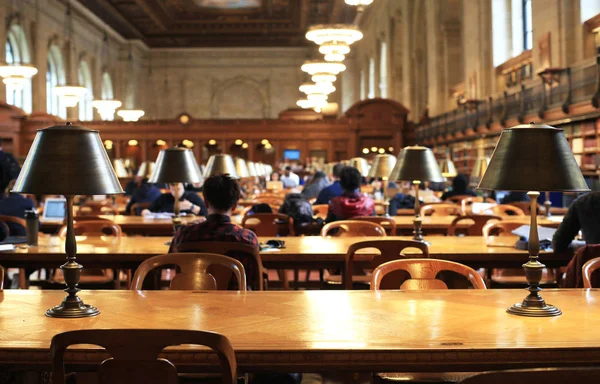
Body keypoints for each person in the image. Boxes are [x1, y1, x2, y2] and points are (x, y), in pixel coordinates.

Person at [169, 174, 259, 289]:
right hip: (236, 302)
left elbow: (172, 261)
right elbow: (253, 276)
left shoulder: (185, 234)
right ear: (235, 206)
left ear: (205, 203)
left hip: (194, 301)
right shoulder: (247, 238)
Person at [142, 183, 207, 216]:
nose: (176, 192)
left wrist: (191, 206)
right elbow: (149, 210)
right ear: (169, 188)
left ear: (183, 186)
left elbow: (206, 213)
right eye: (173, 189)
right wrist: (145, 212)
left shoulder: (193, 196)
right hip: (165, 227)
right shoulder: (164, 197)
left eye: (178, 189)